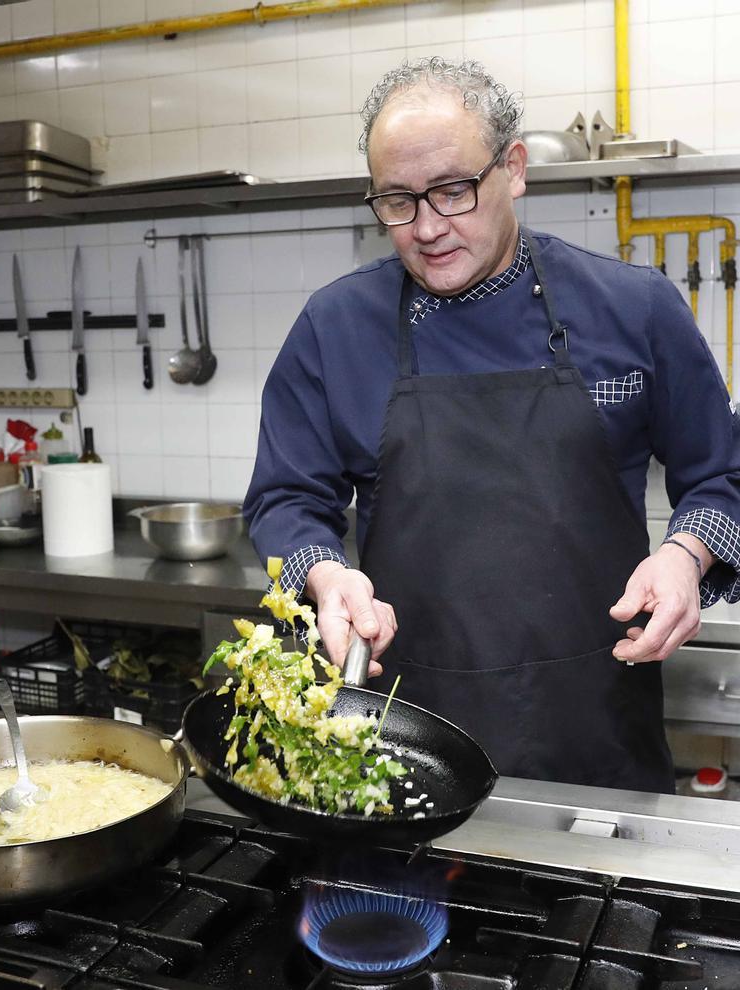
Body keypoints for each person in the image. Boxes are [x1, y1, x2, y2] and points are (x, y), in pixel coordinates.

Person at [243, 57, 740, 793]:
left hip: (595, 728)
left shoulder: (634, 308)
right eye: (397, 201)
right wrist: (322, 574)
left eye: (452, 190)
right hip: (406, 733)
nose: (428, 227)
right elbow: (285, 499)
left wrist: (687, 556)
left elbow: (722, 478)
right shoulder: (334, 327)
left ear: (513, 169)